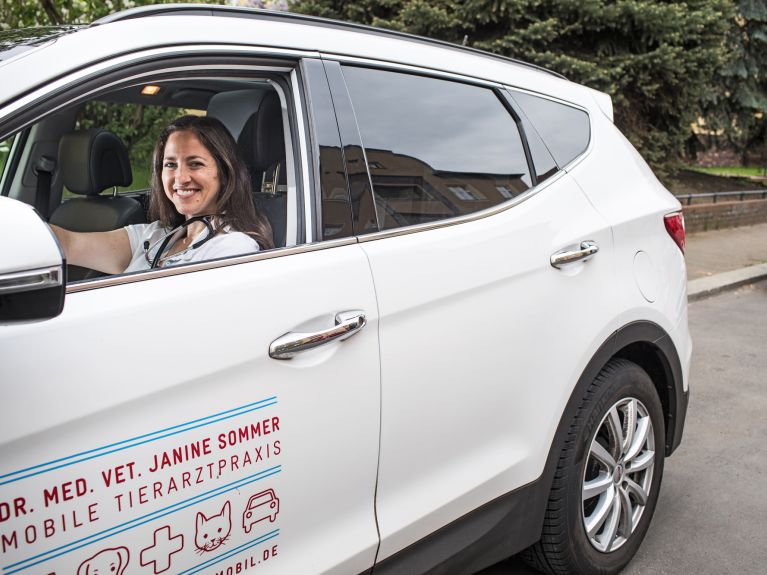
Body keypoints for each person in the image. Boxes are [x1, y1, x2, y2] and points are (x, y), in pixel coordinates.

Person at [52, 115, 273, 275]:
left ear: (224, 172)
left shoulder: (234, 248)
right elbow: (70, 245)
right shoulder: (154, 236)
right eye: (170, 164)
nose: (180, 178)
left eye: (195, 164)